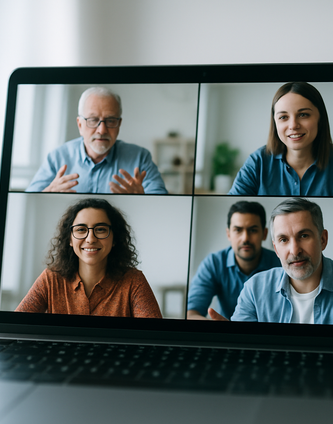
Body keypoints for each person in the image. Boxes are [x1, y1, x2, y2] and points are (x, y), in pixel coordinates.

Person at [209, 198, 333, 326]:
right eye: (283, 240)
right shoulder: (254, 289)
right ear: (275, 248)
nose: (295, 250)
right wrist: (231, 343)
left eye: (303, 236)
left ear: (323, 239)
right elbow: (244, 354)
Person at [16, 198, 162, 318]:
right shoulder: (50, 279)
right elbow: (17, 325)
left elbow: (155, 336)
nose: (90, 239)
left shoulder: (134, 281)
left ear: (115, 239)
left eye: (100, 229)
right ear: (70, 239)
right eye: (81, 229)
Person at [228, 82, 333, 197]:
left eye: (303, 115)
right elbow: (235, 208)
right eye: (283, 117)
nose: (293, 125)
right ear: (275, 123)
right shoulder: (257, 161)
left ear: (320, 119)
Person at [26, 86, 168, 194]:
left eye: (111, 120)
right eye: (93, 120)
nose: (102, 130)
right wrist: (47, 194)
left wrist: (143, 200)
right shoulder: (57, 157)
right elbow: (28, 202)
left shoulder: (140, 158)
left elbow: (162, 205)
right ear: (80, 125)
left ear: (119, 124)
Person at [187, 201, 281, 320]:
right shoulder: (214, 264)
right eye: (238, 230)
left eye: (253, 230)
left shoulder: (280, 264)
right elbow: (192, 313)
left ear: (265, 233)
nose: (245, 238)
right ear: (229, 234)